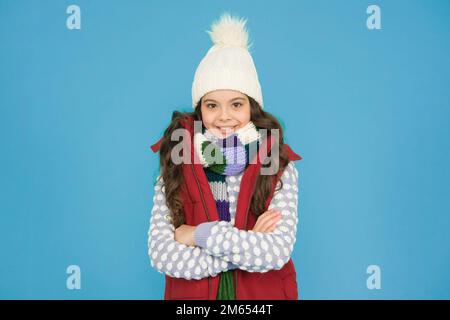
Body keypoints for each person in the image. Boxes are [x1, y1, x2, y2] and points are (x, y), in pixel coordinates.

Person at [148, 12, 302, 300]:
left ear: (252, 107)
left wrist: (197, 235)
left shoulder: (278, 166)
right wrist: (248, 244)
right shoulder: (175, 163)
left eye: (236, 104)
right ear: (200, 109)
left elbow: (275, 252)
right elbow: (162, 254)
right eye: (211, 105)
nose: (224, 117)